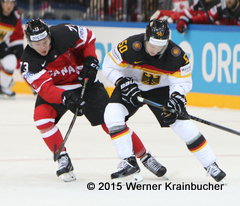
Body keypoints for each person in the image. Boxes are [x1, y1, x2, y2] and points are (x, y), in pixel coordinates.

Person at [20, 18, 162, 182]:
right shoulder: (28, 62)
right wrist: (66, 98)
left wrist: (90, 59)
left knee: (111, 121)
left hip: (84, 82)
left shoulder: (64, 33)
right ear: (29, 42)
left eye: (45, 41)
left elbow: (88, 37)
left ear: (49, 35)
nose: (43, 47)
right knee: (42, 119)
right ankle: (63, 158)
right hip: (59, 90)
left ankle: (144, 155)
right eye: (37, 44)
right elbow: (46, 89)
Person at [102, 19, 226, 183]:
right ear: (146, 37)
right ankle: (128, 161)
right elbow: (108, 66)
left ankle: (211, 164)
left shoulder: (177, 55)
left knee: (184, 126)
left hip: (161, 89)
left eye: (160, 45)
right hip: (131, 85)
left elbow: (183, 82)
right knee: (112, 114)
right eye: (153, 44)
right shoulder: (130, 46)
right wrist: (121, 82)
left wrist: (176, 97)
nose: (155, 50)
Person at [0, 0, 24, 97]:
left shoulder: (14, 19)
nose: (9, 6)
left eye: (11, 3)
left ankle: (3, 87)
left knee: (11, 60)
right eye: (6, 2)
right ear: (1, 3)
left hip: (1, 45)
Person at [151, 0, 220, 23]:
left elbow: (206, 17)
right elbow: (188, 12)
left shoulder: (219, 5)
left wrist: (189, 20)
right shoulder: (199, 3)